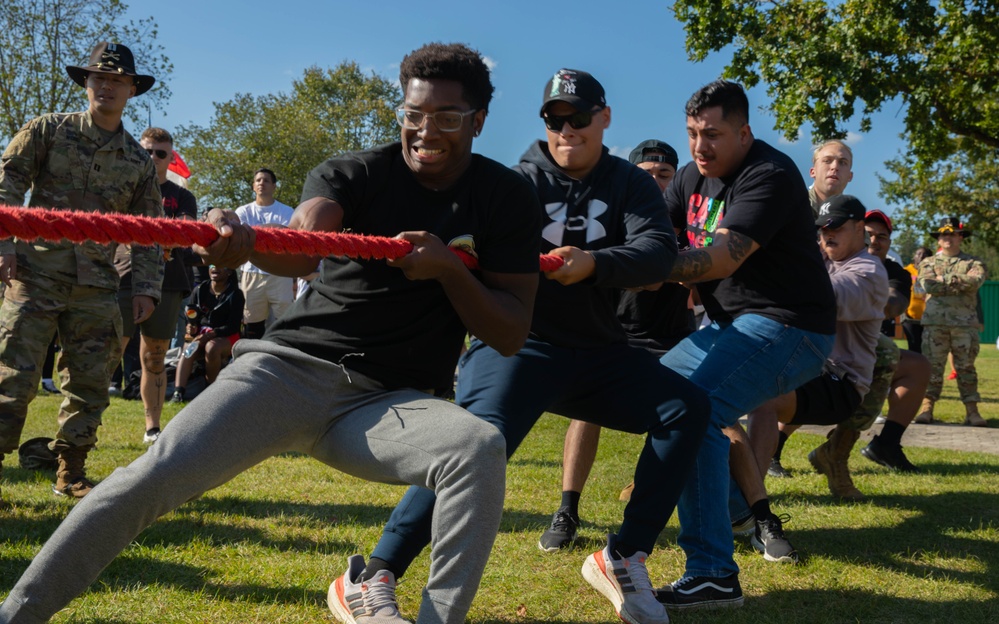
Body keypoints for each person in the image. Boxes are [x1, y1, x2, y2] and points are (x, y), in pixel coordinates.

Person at [0, 42, 543, 624]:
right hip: (286, 371)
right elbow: (303, 243)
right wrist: (241, 237)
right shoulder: (357, 171)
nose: (424, 130)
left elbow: (510, 331)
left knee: (477, 447)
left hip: (389, 403)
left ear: (479, 121)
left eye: (446, 118)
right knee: (153, 476)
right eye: (413, 114)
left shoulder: (506, 197)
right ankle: (19, 613)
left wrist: (446, 271)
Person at [364, 69, 710, 624]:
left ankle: (622, 555)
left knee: (686, 408)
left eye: (579, 117)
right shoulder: (512, 181)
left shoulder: (630, 182)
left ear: (605, 118)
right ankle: (374, 572)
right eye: (555, 119)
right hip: (515, 348)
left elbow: (657, 252)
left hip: (600, 352)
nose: (566, 129)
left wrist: (596, 263)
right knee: (479, 442)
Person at [651, 80, 836, 610]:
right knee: (655, 393)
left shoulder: (770, 174)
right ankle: (732, 507)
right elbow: (657, 239)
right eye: (691, 133)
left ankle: (712, 572)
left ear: (744, 132)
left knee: (694, 411)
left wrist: (623, 266)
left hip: (793, 328)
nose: (699, 146)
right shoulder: (690, 177)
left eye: (712, 134)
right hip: (730, 326)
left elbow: (724, 257)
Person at [0, 42, 163, 505]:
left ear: (131, 90)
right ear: (86, 83)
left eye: (117, 80)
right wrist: (4, 239)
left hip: (96, 284)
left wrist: (147, 287)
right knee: (13, 376)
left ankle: (70, 471)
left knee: (90, 382)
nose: (107, 86)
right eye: (99, 77)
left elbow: (150, 229)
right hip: (34, 272)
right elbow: (7, 182)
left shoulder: (137, 160)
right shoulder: (47, 130)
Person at [544, 138, 693, 526]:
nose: (658, 183)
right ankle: (567, 510)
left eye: (666, 175)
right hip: (617, 334)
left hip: (674, 339)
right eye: (648, 175)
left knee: (698, 412)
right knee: (584, 413)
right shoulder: (616, 219)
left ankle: (744, 512)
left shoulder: (690, 228)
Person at [113, 127, 198, 443]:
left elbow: (186, 233)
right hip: (124, 276)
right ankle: (84, 426)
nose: (153, 158)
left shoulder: (183, 196)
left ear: (170, 157)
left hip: (169, 280)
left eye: (160, 153)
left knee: (155, 356)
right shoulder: (123, 188)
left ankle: (152, 429)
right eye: (147, 150)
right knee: (110, 351)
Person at [914, 217, 988, 426]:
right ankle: (926, 409)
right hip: (935, 324)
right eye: (944, 234)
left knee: (966, 368)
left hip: (964, 325)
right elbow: (928, 285)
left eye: (952, 233)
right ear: (938, 239)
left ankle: (972, 412)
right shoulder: (928, 263)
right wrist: (958, 281)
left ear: (960, 237)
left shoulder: (973, 263)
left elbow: (976, 281)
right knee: (932, 367)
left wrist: (943, 280)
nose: (948, 238)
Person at [235, 168, 295, 339]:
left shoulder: (287, 211)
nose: (262, 183)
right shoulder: (243, 211)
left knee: (285, 322)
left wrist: (254, 233)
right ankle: (251, 358)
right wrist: (272, 232)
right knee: (252, 323)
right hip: (252, 273)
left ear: (274, 186)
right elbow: (243, 240)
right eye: (258, 180)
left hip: (280, 273)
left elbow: (286, 238)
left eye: (266, 180)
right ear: (253, 186)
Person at [173, 264, 244, 401]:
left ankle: (211, 393)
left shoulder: (236, 294)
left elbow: (233, 326)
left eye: (220, 265)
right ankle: (178, 393)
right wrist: (191, 327)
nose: (215, 268)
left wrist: (211, 334)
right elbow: (192, 318)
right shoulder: (200, 290)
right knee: (188, 348)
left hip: (227, 336)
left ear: (229, 271)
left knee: (211, 347)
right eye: (212, 265)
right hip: (202, 335)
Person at [807, 139, 853, 215]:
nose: (835, 167)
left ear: (850, 176)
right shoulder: (792, 206)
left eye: (842, 162)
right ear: (813, 172)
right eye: (827, 161)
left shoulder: (853, 219)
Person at [901, 246, 932, 353]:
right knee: (914, 348)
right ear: (914, 257)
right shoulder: (905, 271)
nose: (921, 257)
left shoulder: (933, 273)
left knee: (928, 350)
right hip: (909, 318)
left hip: (929, 319)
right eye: (918, 254)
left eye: (925, 255)